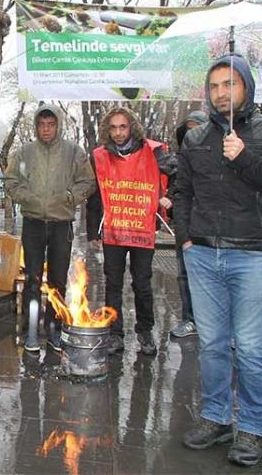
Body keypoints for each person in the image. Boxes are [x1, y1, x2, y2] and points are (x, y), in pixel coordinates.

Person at [176, 54, 262, 466]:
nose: (220, 93)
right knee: (213, 344)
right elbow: (183, 191)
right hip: (203, 255)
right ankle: (216, 417)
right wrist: (185, 239)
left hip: (253, 255)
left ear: (246, 86)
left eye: (229, 84)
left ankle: (252, 426)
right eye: (214, 86)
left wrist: (245, 156)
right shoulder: (196, 139)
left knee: (250, 347)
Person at [4, 104, 95, 352]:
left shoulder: (73, 152)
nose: (46, 129)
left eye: (50, 124)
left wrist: (69, 197)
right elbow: (10, 181)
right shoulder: (24, 153)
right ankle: (31, 330)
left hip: (60, 224)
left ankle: (54, 329)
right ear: (36, 126)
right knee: (32, 279)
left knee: (57, 281)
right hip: (33, 223)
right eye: (42, 124)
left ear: (58, 125)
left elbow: (88, 182)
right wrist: (26, 196)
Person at [86, 107, 175, 357]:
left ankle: (145, 332)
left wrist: (170, 198)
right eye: (113, 127)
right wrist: (93, 230)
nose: (118, 132)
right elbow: (94, 195)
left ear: (131, 127)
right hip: (113, 229)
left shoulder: (154, 151)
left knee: (142, 283)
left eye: (122, 127)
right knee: (112, 283)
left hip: (141, 228)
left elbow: (179, 174)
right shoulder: (100, 156)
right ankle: (114, 334)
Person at [169, 110, 208, 339]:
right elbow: (177, 190)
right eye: (188, 131)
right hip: (186, 226)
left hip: (212, 227)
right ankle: (190, 318)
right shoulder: (180, 160)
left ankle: (219, 326)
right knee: (185, 275)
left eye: (197, 130)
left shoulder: (220, 155)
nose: (192, 135)